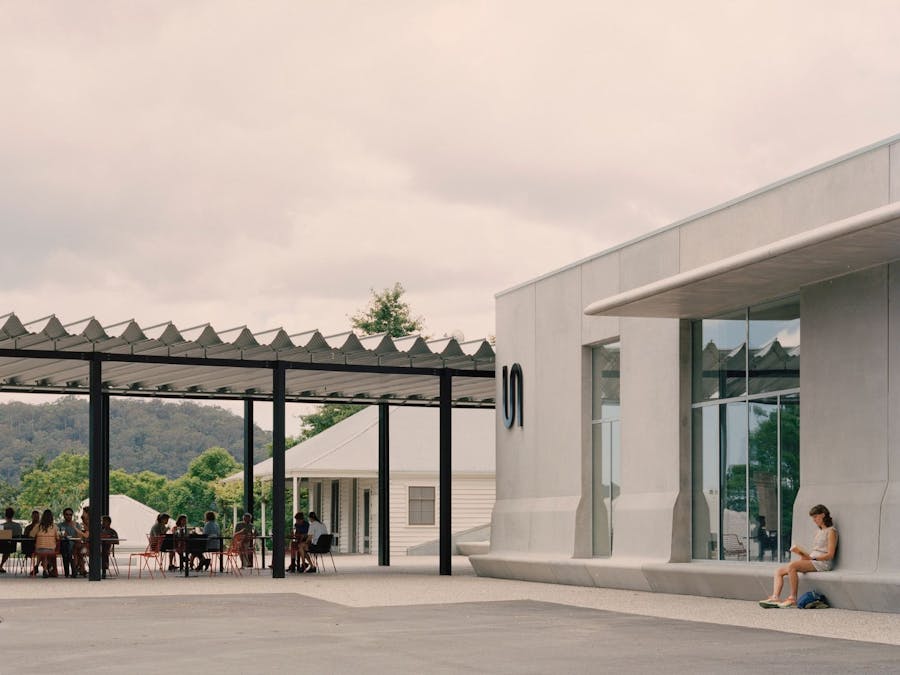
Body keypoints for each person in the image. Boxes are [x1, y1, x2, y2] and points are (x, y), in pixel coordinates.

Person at [760, 504, 838, 608]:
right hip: (813, 560)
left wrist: (813, 558)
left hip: (822, 563)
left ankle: (793, 598)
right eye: (813, 518)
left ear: (823, 515)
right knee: (779, 571)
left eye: (815, 517)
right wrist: (803, 554)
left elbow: (830, 554)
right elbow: (815, 552)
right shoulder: (818, 532)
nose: (814, 520)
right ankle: (775, 597)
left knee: (792, 566)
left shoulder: (831, 531)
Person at [58, 507, 84, 578]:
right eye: (67, 514)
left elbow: (79, 537)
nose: (68, 516)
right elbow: (59, 536)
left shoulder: (76, 525)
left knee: (71, 550)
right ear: (64, 515)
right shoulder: (60, 525)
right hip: (64, 545)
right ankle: (69, 572)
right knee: (66, 547)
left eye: (70, 514)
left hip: (75, 545)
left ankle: (74, 571)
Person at [33, 509, 60, 578]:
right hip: (51, 549)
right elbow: (58, 537)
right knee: (45, 552)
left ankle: (37, 567)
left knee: (42, 552)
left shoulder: (38, 526)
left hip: (39, 549)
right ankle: (45, 570)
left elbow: (31, 535)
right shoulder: (54, 527)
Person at [0, 506, 23, 573]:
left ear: (5, 515)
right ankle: (1, 565)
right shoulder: (17, 526)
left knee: (5, 546)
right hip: (12, 547)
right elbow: (19, 536)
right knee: (7, 549)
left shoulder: (2, 526)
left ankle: (0, 566)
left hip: (2, 546)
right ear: (13, 515)